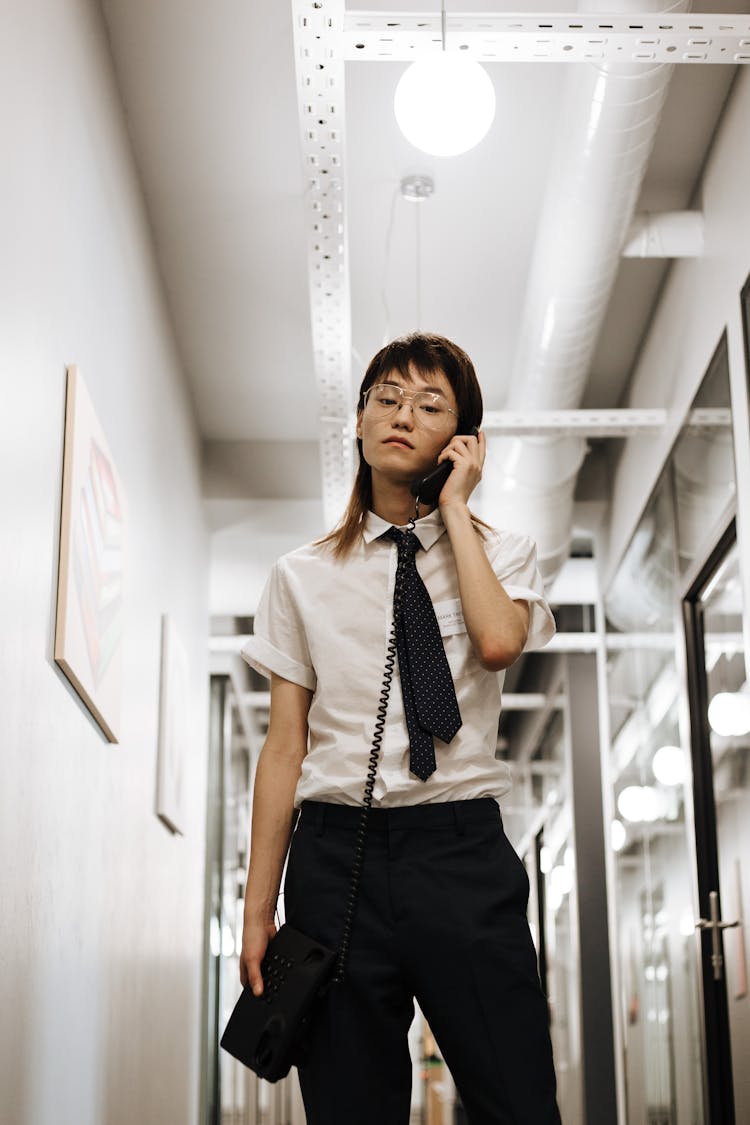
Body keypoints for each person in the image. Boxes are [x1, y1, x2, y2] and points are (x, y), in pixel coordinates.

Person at [240, 333, 561, 1124]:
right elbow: (286, 746)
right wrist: (257, 907)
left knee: (517, 1099)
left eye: (429, 404)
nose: (400, 415)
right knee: (351, 1107)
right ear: (356, 421)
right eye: (384, 397)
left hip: (460, 851)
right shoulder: (300, 574)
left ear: (463, 441)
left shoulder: (503, 554)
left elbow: (497, 643)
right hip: (334, 854)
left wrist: (453, 507)